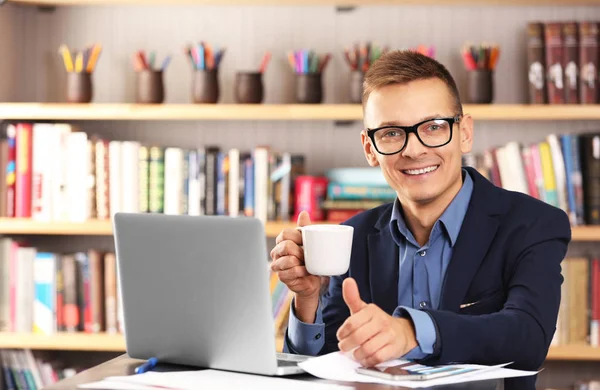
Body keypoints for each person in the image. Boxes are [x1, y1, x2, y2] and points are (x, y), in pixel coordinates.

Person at [269, 50, 571, 390]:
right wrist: (307, 300)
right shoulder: (352, 236)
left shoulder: (533, 223)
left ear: (465, 132)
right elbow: (324, 370)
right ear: (370, 148)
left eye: (434, 126)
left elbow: (528, 338)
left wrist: (411, 332)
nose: (413, 150)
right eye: (391, 133)